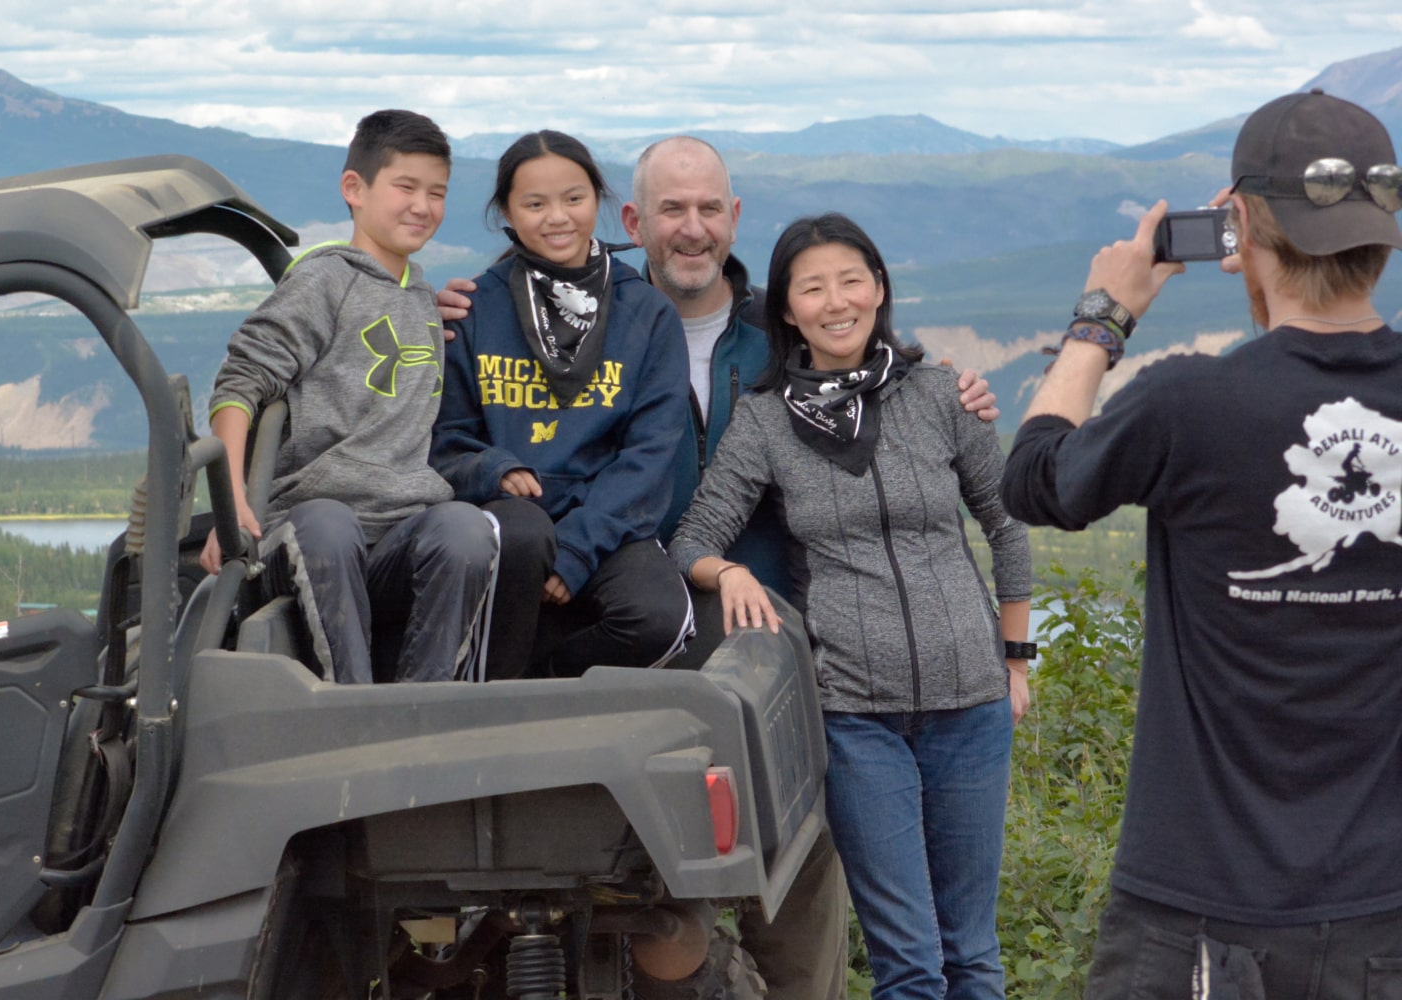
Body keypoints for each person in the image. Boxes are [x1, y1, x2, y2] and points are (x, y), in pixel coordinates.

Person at [438, 135, 999, 997]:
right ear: (633, 221)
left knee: (802, 865)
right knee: (645, 877)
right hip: (633, 633)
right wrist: (461, 316)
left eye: (709, 210)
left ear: (734, 218)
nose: (692, 229)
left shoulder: (788, 327)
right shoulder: (592, 317)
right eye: (670, 210)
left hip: (784, 637)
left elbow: (890, 386)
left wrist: (960, 395)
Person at [1002, 90, 1402, 995]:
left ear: (1239, 223)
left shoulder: (1189, 403)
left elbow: (1031, 478)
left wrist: (1102, 313)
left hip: (1196, 920)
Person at [670, 212, 1031, 1000]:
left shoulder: (939, 394)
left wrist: (1016, 657)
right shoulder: (766, 420)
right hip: (858, 719)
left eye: (851, 280)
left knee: (973, 953)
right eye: (812, 287)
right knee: (910, 965)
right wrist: (725, 573)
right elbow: (691, 537)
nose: (836, 301)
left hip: (972, 706)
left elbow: (1006, 524)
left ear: (878, 289)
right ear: (787, 310)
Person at [202, 108, 495, 685]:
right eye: (405, 187)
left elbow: (391, 315)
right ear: (354, 189)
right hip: (307, 531)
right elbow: (241, 382)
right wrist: (229, 498)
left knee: (465, 528)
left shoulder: (420, 299)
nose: (422, 206)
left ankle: (425, 710)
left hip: (397, 532)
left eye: (437, 193)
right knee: (330, 527)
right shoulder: (324, 280)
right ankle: (351, 712)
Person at [430, 129, 695, 680]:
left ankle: (544, 678)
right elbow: (446, 440)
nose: (558, 217)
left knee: (659, 622)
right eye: (534, 203)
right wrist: (493, 469)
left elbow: (649, 454)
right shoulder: (474, 309)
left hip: (604, 519)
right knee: (521, 536)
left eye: (574, 198)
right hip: (510, 519)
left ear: (596, 200)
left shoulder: (645, 313)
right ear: (507, 209)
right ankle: (487, 708)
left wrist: (578, 546)